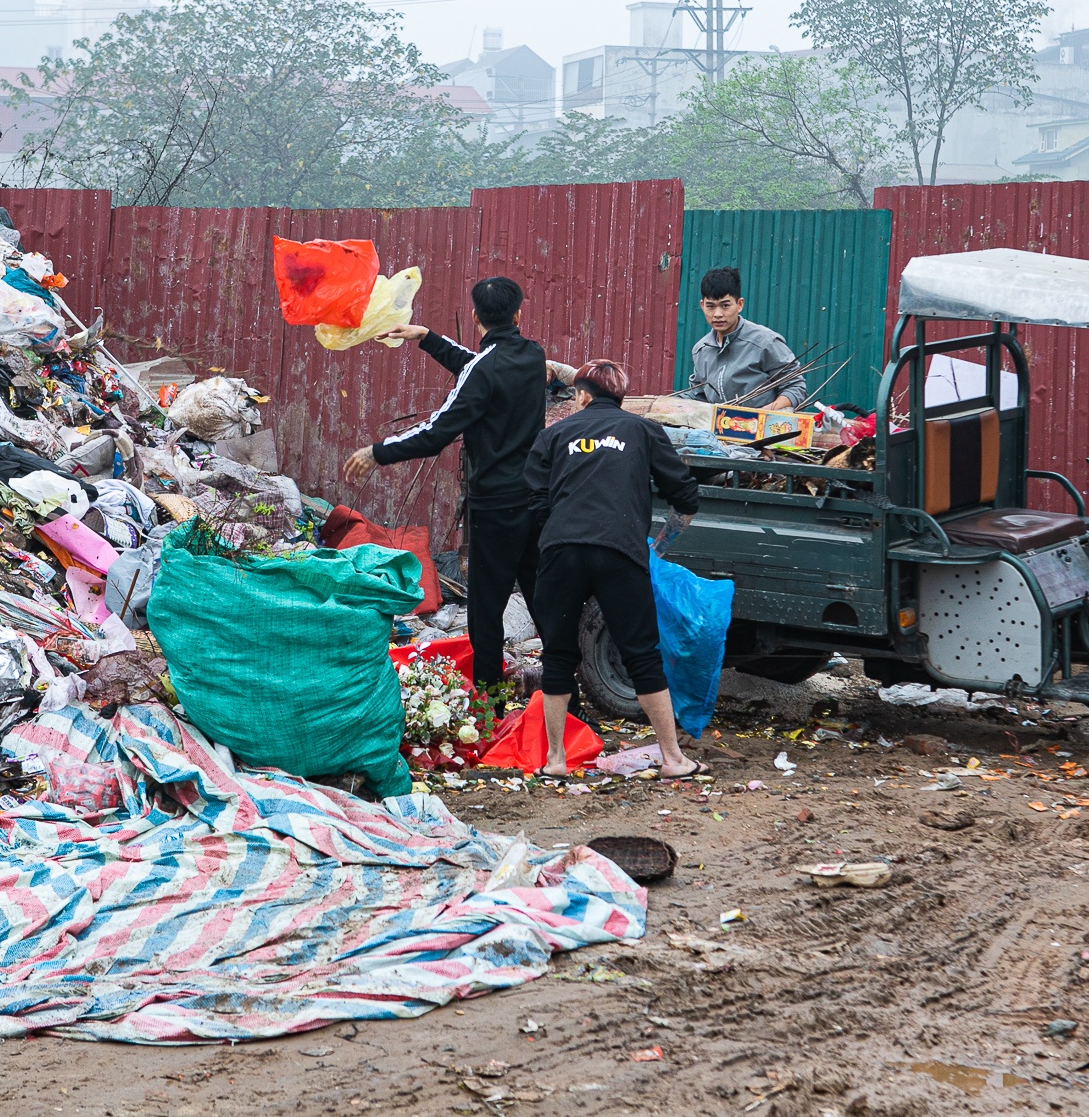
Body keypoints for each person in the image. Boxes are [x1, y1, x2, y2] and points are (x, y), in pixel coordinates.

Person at [342, 276, 545, 689]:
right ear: (519, 315)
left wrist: (376, 451)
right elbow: (481, 368)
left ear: (474, 316)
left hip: (496, 506)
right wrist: (428, 337)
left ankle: (489, 700)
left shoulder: (484, 369)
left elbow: (436, 432)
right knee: (544, 600)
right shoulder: (532, 357)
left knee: (486, 608)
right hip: (536, 500)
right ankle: (566, 695)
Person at [524, 360, 702, 779]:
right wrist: (662, 543)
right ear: (620, 398)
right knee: (642, 655)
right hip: (620, 552)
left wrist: (557, 532)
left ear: (581, 395)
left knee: (557, 655)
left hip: (561, 551)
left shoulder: (553, 435)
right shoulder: (643, 431)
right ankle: (674, 760)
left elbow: (534, 501)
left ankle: (556, 761)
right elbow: (685, 495)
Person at [683, 266, 808, 411]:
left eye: (725, 306)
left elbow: (796, 386)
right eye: (710, 306)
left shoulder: (764, 342)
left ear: (739, 304)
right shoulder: (701, 350)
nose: (717, 314)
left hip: (764, 429)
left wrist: (766, 412)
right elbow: (698, 396)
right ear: (702, 305)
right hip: (718, 430)